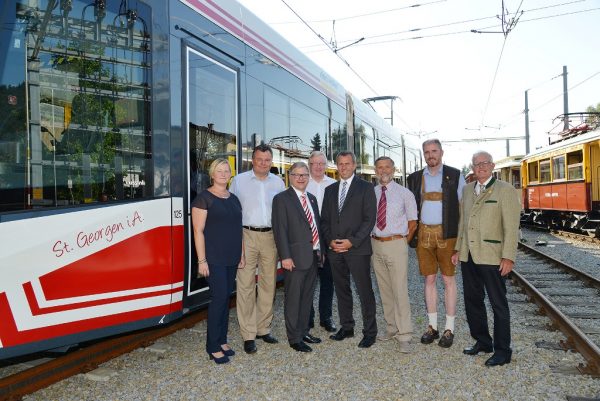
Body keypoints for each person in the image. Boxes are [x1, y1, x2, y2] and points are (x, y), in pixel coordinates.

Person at [452, 151, 521, 367]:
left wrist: (508, 256)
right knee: (473, 302)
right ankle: (483, 341)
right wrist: (457, 250)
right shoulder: (467, 190)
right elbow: (462, 223)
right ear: (472, 168)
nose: (481, 167)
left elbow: (511, 227)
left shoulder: (506, 190)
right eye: (477, 164)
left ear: (492, 166)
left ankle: (503, 351)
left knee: (498, 304)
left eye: (485, 163)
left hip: (492, 256)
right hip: (469, 256)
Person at [406, 139, 465, 348]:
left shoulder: (455, 175)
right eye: (427, 152)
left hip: (447, 235)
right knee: (429, 280)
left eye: (434, 151)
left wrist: (460, 242)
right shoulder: (414, 178)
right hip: (424, 236)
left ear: (441, 152)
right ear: (423, 154)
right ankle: (432, 326)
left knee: (448, 281)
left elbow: (463, 209)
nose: (431, 155)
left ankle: (449, 328)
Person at [229, 144, 285, 354]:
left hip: (271, 236)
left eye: (267, 160)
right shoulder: (239, 181)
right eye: (260, 159)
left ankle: (263, 328)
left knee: (269, 284)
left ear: (272, 162)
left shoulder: (278, 182)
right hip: (246, 236)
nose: (263, 163)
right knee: (245, 285)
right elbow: (231, 210)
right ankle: (248, 334)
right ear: (252, 160)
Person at [321, 151, 378, 348]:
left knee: (364, 291)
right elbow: (325, 221)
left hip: (357, 249)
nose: (344, 167)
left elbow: (369, 220)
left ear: (354, 165)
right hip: (335, 249)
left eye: (347, 163)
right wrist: (330, 241)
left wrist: (351, 242)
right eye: (340, 164)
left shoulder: (366, 188)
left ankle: (370, 332)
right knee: (341, 289)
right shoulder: (330, 190)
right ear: (336, 166)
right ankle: (347, 327)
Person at [191, 159, 244, 364]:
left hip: (231, 256)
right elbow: (198, 231)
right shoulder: (203, 199)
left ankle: (222, 340)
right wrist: (201, 260)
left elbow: (237, 229)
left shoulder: (234, 199)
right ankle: (212, 346)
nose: (223, 174)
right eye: (219, 171)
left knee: (226, 299)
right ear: (212, 174)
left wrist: (242, 253)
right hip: (213, 258)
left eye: (226, 170)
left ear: (231, 174)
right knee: (219, 298)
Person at [272, 162, 324, 352]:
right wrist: (285, 256)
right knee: (293, 298)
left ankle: (303, 331)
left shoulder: (311, 198)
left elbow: (316, 226)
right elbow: (280, 230)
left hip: (313, 256)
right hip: (294, 258)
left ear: (308, 177)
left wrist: (321, 251)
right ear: (289, 176)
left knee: (307, 297)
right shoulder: (281, 199)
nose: (301, 178)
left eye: (304, 175)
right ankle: (294, 338)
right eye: (297, 175)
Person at [371, 157, 418, 353]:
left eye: (387, 167)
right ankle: (391, 327)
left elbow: (413, 222)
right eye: (380, 167)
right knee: (384, 289)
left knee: (399, 290)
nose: (383, 171)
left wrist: (400, 243)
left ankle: (405, 335)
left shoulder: (405, 194)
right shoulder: (371, 193)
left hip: (396, 243)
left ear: (394, 169)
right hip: (375, 244)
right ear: (375, 170)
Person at [306, 151, 337, 333]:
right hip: (307, 239)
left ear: (326, 166)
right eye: (314, 163)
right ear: (309, 164)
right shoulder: (302, 182)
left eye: (321, 163)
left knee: (328, 280)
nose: (318, 166)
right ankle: (307, 317)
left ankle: (326, 317)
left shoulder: (333, 185)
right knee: (308, 280)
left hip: (327, 239)